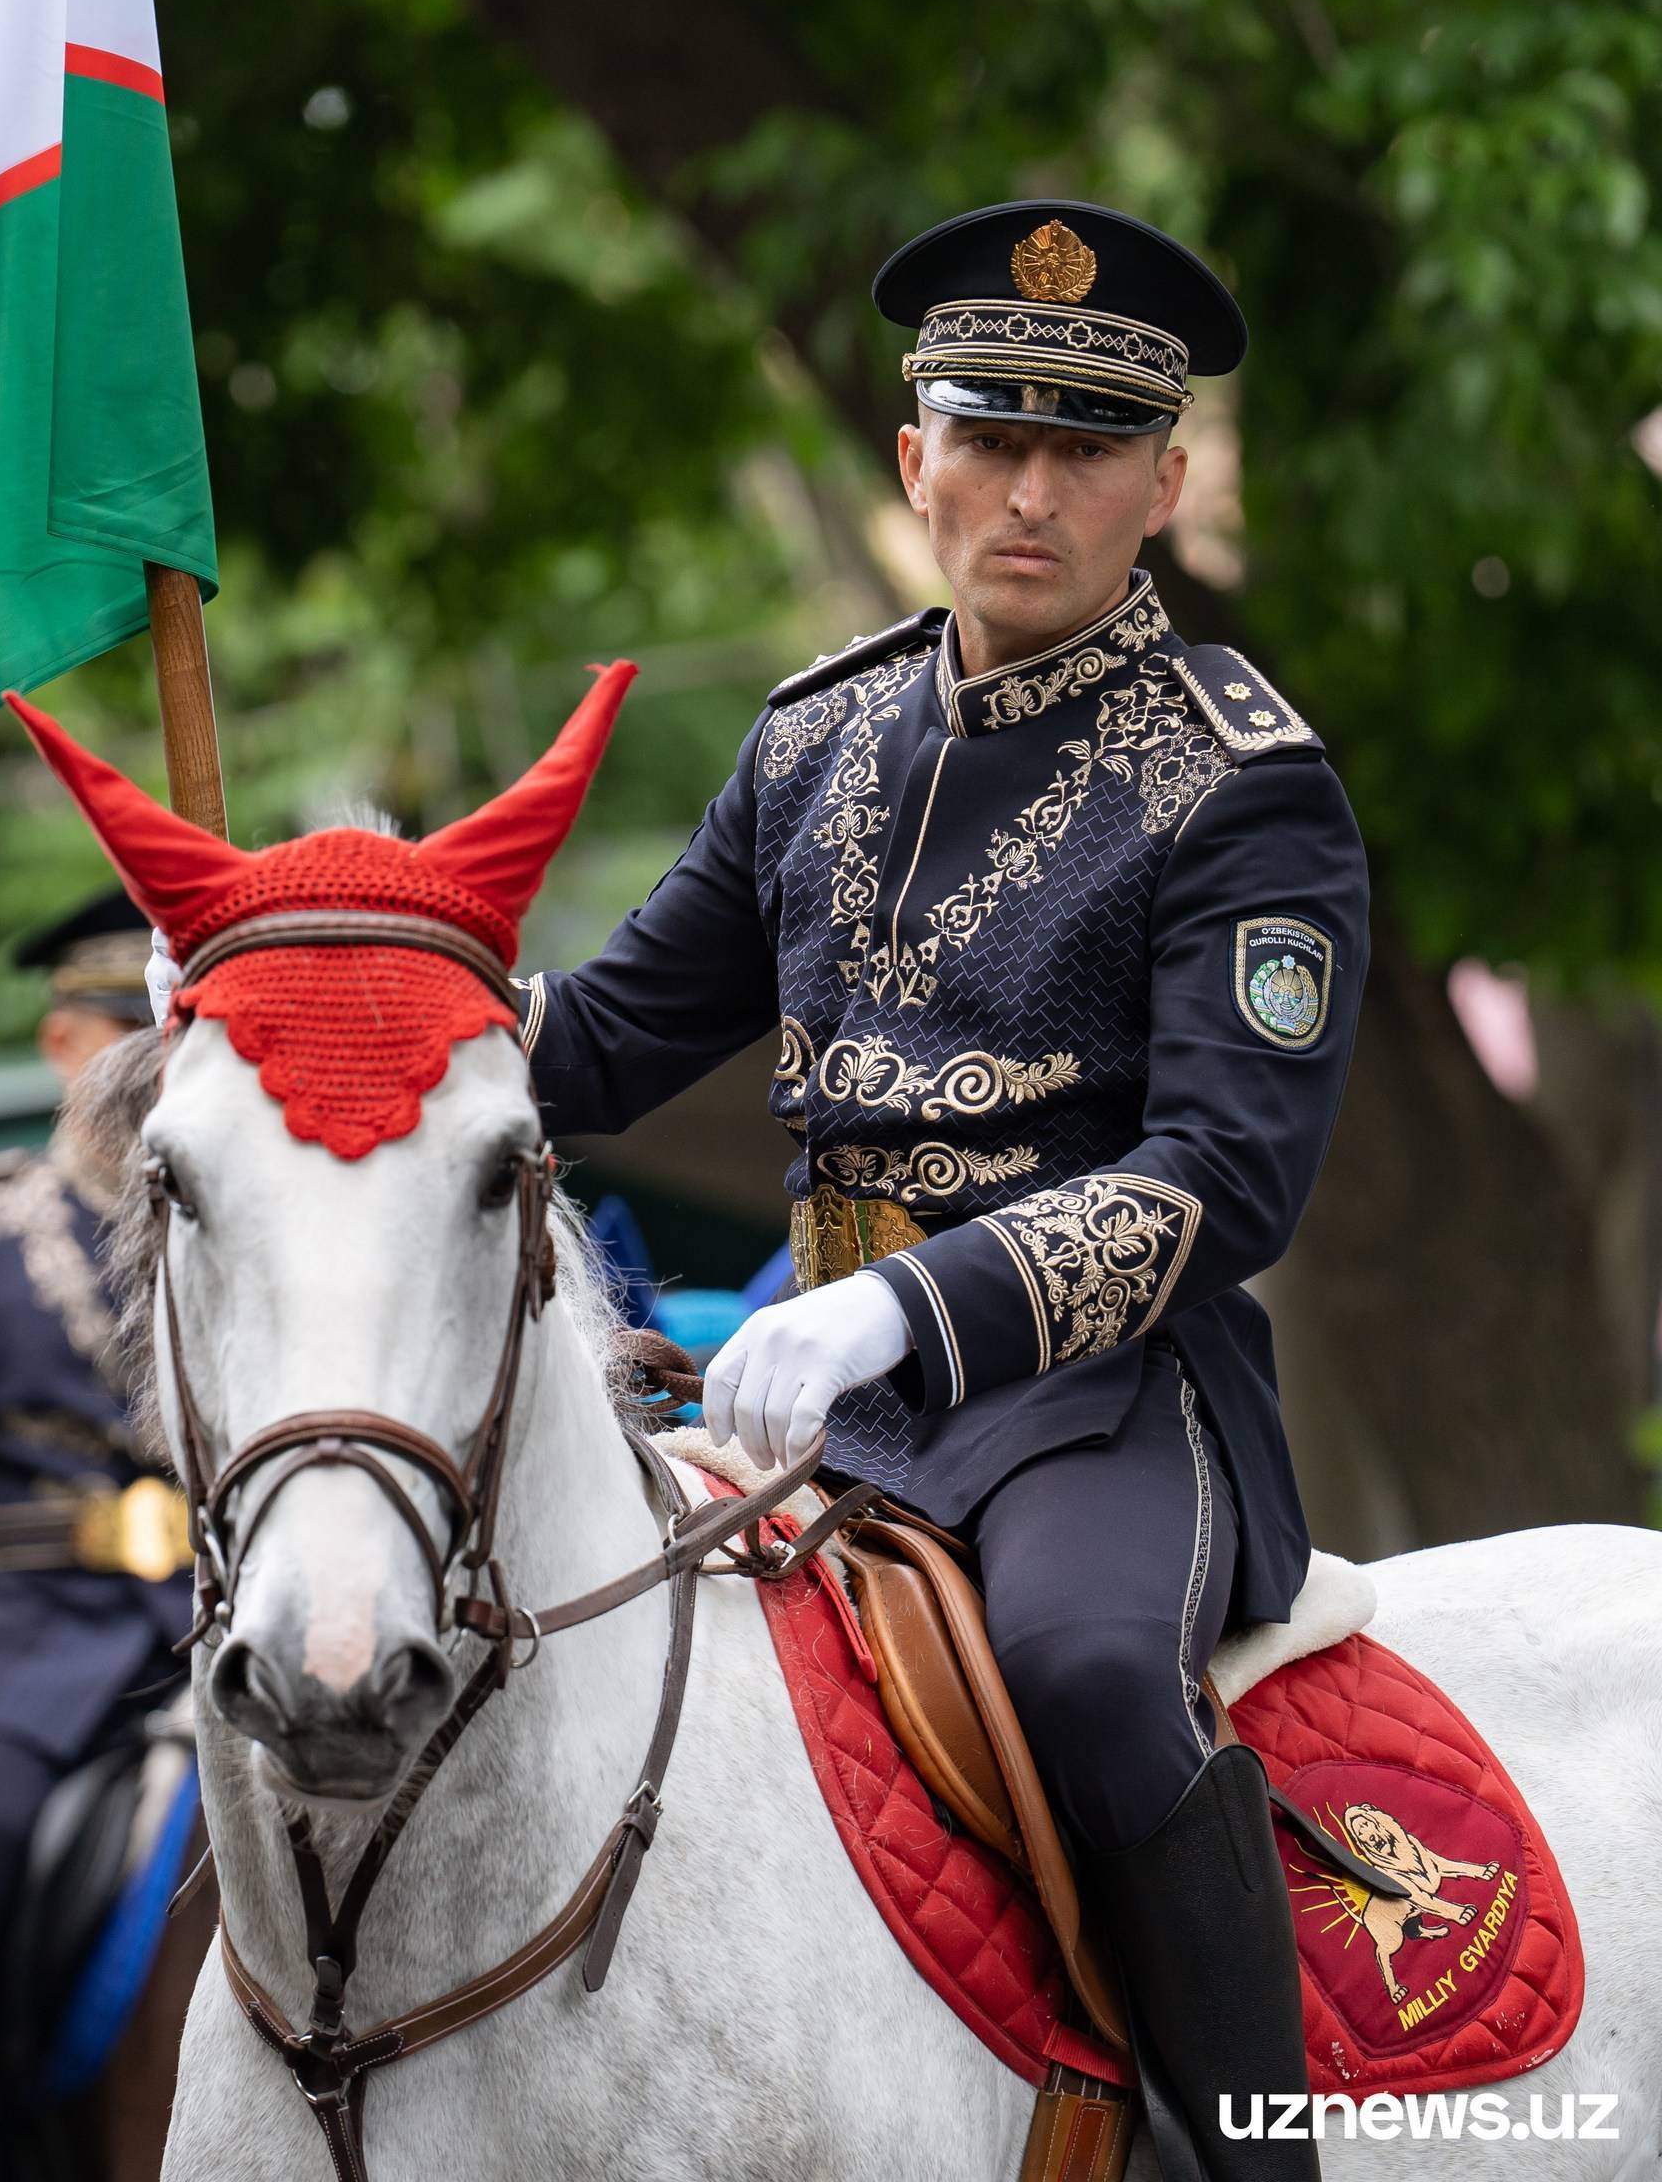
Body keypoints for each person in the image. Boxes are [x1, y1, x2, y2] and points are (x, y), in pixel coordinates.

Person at [512, 204, 1365, 2176]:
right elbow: (614, 1033)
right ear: (912, 459)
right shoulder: (810, 736)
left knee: (1081, 1668)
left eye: (1085, 450)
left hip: (1092, 1403)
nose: (1027, 490)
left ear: (1165, 481)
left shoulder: (1243, 777)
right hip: (808, 1404)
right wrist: (340, 983)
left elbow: (1224, 1178)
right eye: (987, 437)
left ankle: (1249, 2150)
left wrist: (908, 1300)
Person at [0, 890, 191, 2179]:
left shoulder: (234, 1230)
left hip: (225, 1626)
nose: (149, 1070)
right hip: (36, 1647)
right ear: (62, 1051)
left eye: (172, 1035)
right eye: (118, 1038)